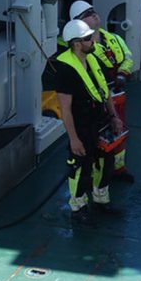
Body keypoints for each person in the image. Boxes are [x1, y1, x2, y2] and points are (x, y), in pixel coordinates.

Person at [55, 19, 124, 223]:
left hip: (100, 119)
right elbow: (65, 109)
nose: (93, 40)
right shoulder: (65, 70)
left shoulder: (92, 58)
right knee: (81, 168)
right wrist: (74, 139)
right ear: (76, 43)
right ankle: (78, 208)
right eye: (87, 38)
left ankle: (101, 200)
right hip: (81, 125)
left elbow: (104, 90)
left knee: (105, 161)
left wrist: (114, 117)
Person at [69, 0, 135, 182]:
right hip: (99, 102)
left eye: (93, 10)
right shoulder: (83, 50)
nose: (94, 14)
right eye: (87, 14)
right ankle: (97, 177)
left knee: (120, 132)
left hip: (119, 97)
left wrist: (123, 73)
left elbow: (128, 57)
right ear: (78, 22)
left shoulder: (113, 39)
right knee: (101, 140)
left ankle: (119, 168)